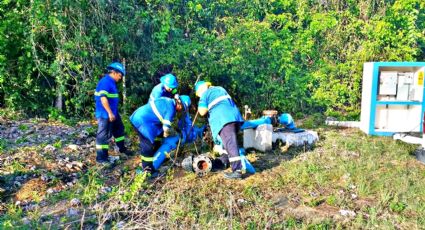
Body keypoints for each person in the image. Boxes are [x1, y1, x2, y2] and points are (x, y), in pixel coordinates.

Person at [194, 81, 254, 179]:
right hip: (234, 117)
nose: (199, 95)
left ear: (201, 89)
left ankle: (237, 171)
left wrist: (201, 101)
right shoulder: (220, 89)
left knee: (230, 144)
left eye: (198, 94)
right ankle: (223, 162)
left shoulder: (205, 94)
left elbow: (202, 112)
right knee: (227, 144)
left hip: (224, 119)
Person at [130, 95, 191, 175]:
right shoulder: (171, 109)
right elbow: (166, 128)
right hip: (143, 121)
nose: (181, 110)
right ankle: (148, 171)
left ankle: (151, 160)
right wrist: (168, 134)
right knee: (147, 146)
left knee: (154, 141)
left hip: (138, 116)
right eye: (182, 108)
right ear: (179, 103)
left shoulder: (167, 100)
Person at [94, 62, 132, 166]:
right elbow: (103, 98)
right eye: (120, 75)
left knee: (119, 129)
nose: (120, 78)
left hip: (113, 113)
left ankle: (122, 149)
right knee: (103, 135)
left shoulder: (111, 82)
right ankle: (101, 159)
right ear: (114, 72)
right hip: (105, 114)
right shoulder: (105, 82)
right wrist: (110, 113)